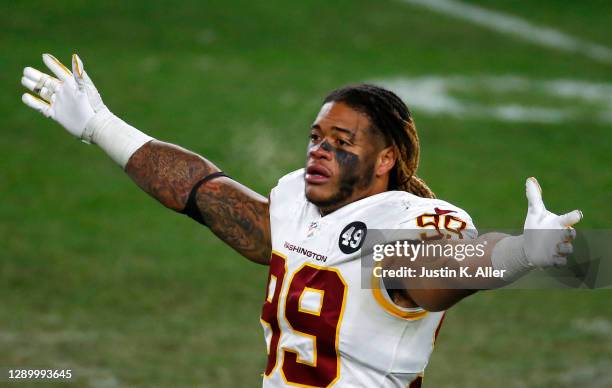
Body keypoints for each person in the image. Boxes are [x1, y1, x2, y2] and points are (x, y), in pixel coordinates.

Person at [20, 53, 582, 387]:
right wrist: (102, 126)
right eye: (316, 138)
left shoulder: (405, 223)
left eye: (342, 142)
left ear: (386, 159)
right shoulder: (295, 204)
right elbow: (203, 192)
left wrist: (521, 253)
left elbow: (439, 275)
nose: (319, 150)